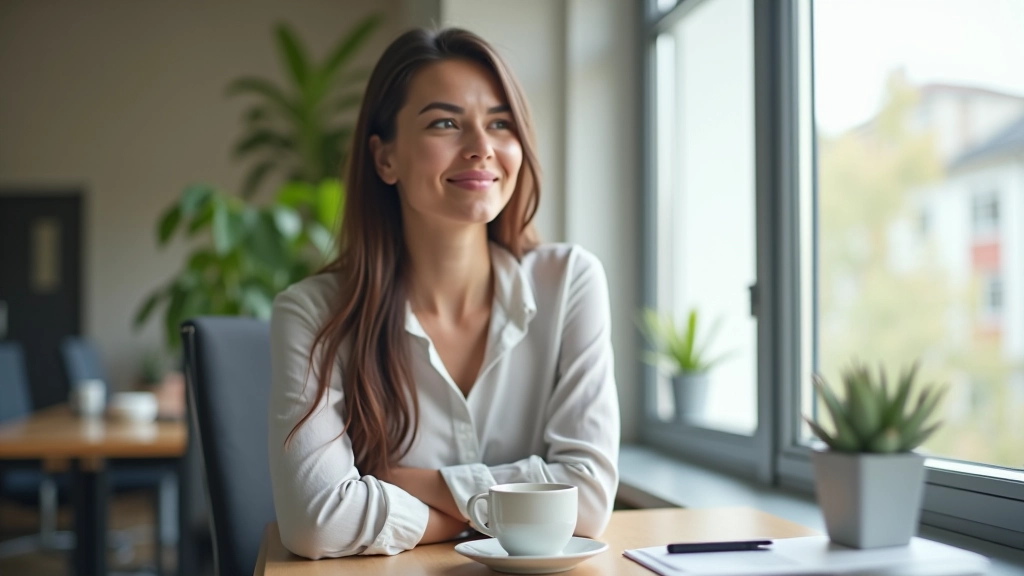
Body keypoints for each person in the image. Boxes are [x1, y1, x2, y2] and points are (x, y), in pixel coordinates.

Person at [267, 27, 620, 559]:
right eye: (445, 123)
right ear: (385, 159)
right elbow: (316, 522)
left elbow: (589, 499)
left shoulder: (570, 282)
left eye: (500, 123)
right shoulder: (314, 312)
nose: (481, 148)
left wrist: (406, 482)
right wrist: (486, 517)